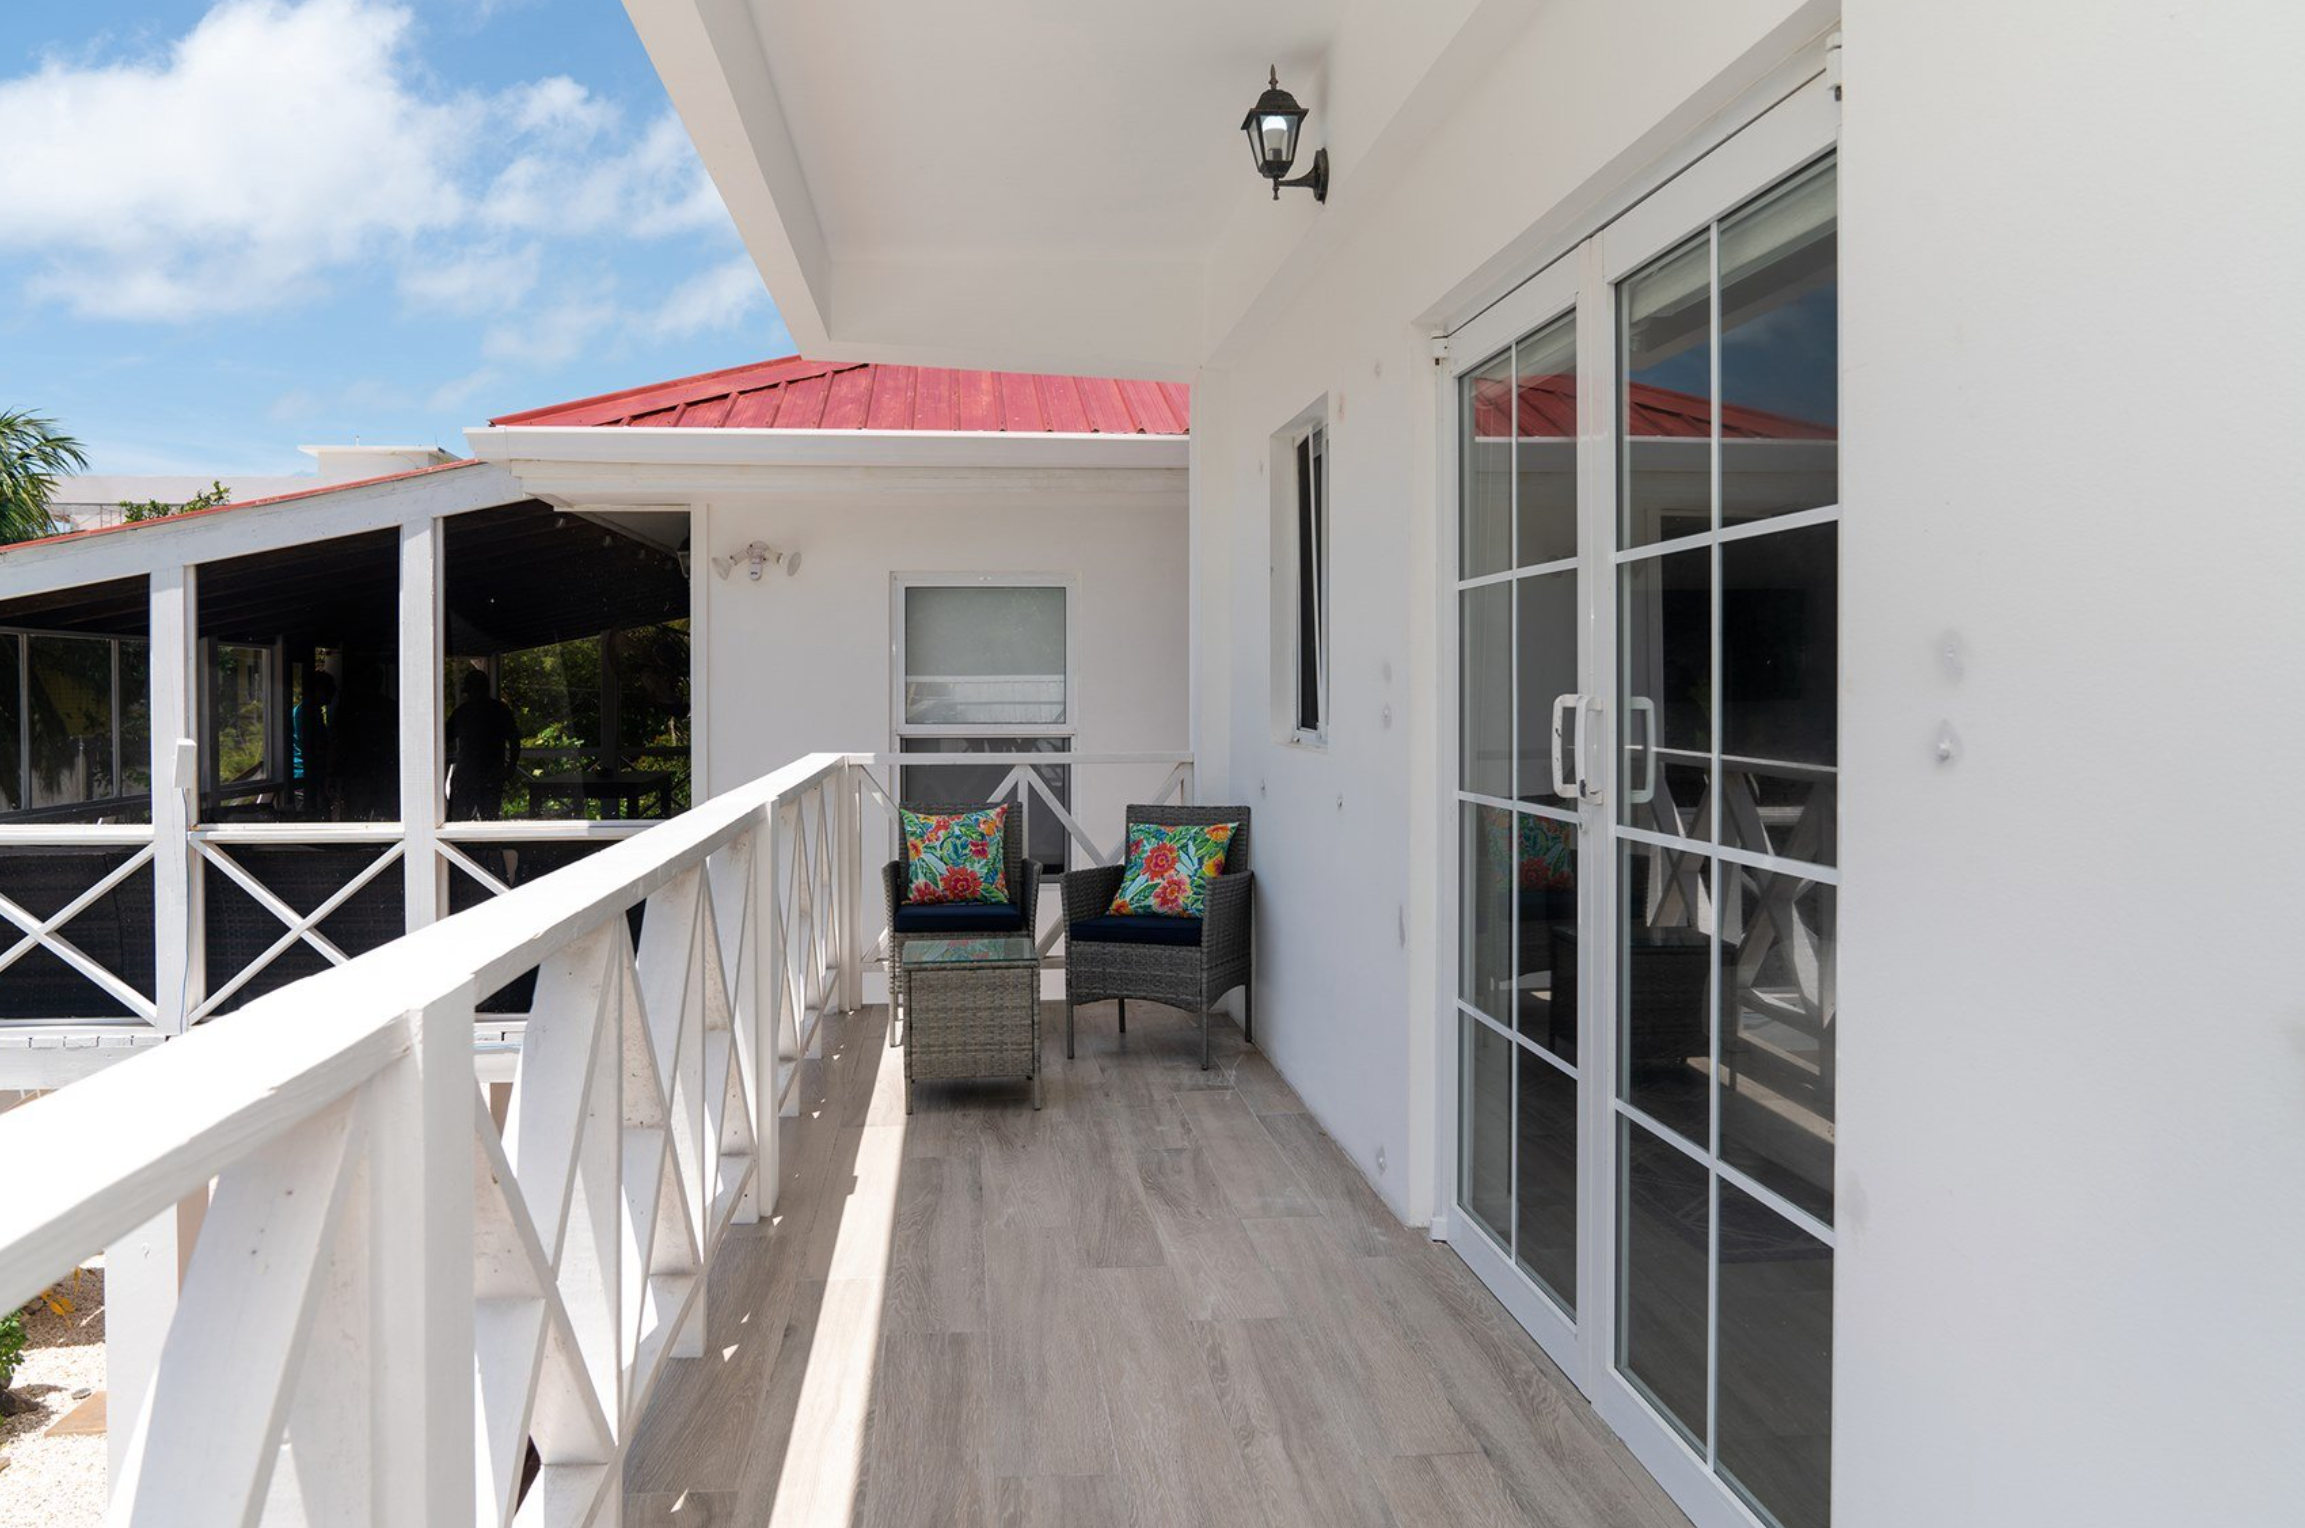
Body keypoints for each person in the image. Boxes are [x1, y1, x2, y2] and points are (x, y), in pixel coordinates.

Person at [446, 669, 522, 821]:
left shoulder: (463, 712)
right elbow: (514, 740)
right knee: (488, 819)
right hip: (489, 773)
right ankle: (486, 844)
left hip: (470, 773)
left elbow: (443, 739)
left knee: (459, 820)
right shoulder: (499, 710)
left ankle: (463, 845)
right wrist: (511, 766)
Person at [289, 670, 334, 819]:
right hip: (304, 775)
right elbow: (314, 747)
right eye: (330, 688)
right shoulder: (307, 713)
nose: (333, 692)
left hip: (303, 775)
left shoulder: (305, 710)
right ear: (319, 690)